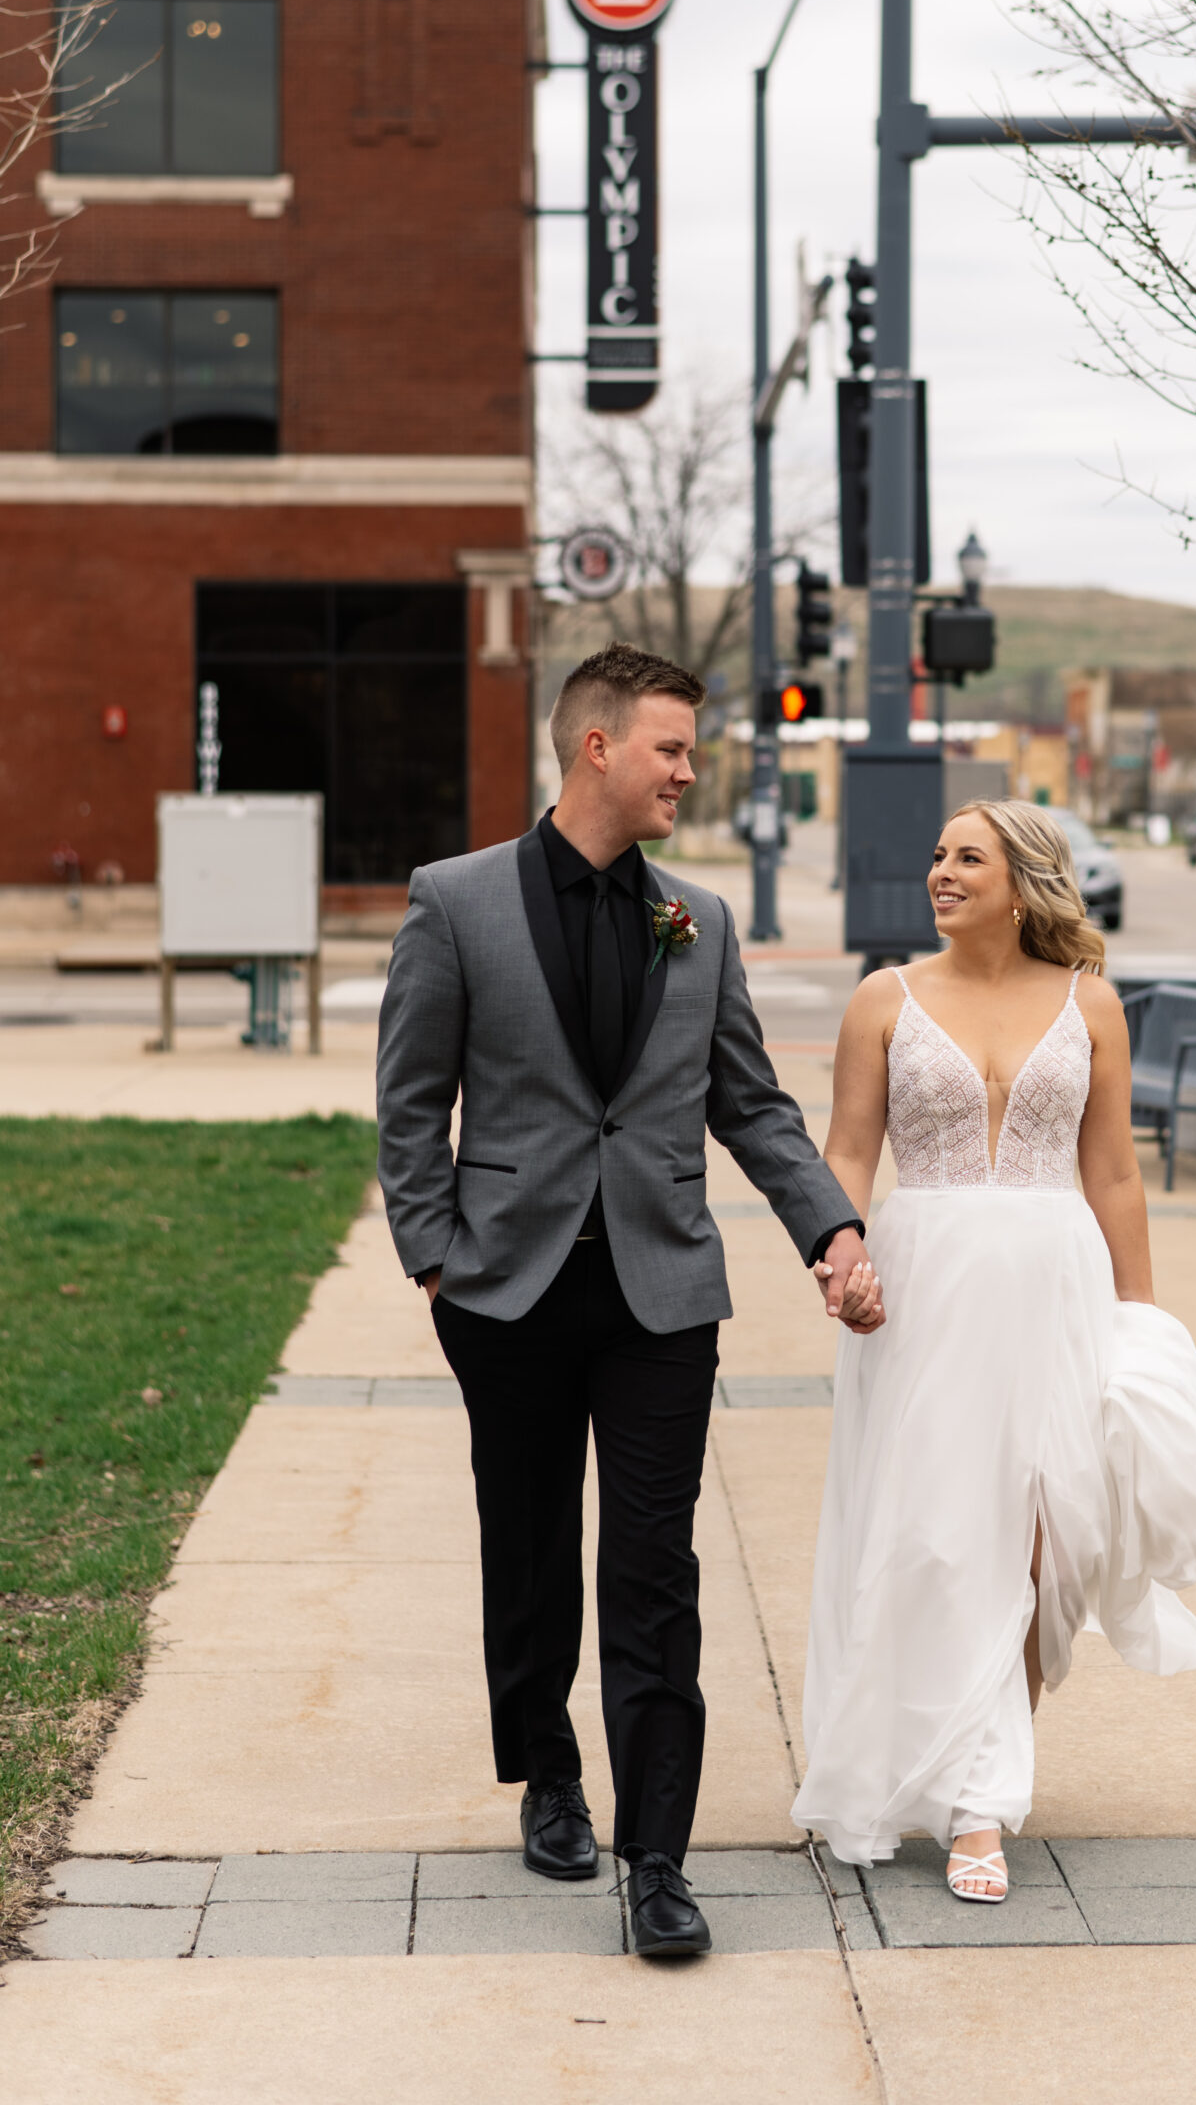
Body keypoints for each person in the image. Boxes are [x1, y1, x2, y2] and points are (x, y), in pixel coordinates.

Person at [376, 641, 882, 1960]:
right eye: (670, 748)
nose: (687, 771)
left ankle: (657, 1858)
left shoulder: (697, 921)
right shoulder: (457, 900)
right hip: (508, 1287)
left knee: (653, 1565)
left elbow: (750, 1104)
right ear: (596, 747)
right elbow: (409, 1098)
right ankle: (547, 1772)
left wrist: (826, 1226)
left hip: (663, 1292)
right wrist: (433, 1253)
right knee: (532, 1542)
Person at [793, 799, 1196, 1901]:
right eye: (937, 854)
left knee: (1043, 1544)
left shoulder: (1091, 1005)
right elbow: (847, 1150)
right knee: (938, 1536)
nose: (941, 871)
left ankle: (983, 1795)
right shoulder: (882, 1001)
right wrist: (839, 1259)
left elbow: (1114, 1173)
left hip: (1058, 1288)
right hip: (925, 1290)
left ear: (1025, 879)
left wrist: (1139, 1323)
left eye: (966, 857)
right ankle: (945, 1777)